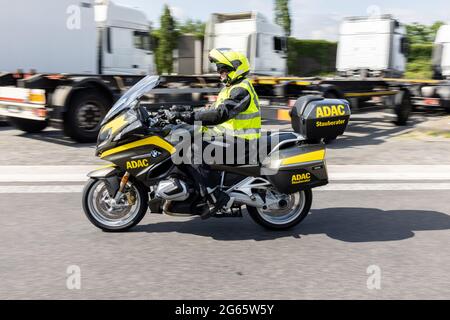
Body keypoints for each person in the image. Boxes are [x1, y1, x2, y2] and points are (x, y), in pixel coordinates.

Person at [169, 48, 261, 219]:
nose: (220, 73)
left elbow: (220, 114)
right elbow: (211, 110)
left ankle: (215, 197)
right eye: (219, 70)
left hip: (243, 142)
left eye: (223, 70)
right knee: (182, 138)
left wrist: (188, 116)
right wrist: (182, 110)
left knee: (192, 148)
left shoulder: (241, 90)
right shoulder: (229, 89)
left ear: (236, 69)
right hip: (230, 139)